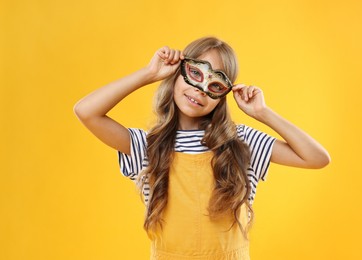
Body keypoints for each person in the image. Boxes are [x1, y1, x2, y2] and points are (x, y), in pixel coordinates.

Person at [74, 36, 330, 260]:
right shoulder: (146, 146)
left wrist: (263, 113)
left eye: (215, 85)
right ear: (178, 73)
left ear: (223, 95)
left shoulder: (241, 142)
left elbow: (317, 158)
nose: (200, 90)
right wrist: (148, 74)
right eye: (195, 73)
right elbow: (86, 111)